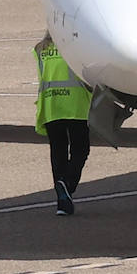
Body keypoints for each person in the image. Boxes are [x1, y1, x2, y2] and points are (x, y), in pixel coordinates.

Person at [34, 33, 92, 216]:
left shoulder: (40, 50)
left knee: (58, 150)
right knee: (80, 149)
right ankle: (67, 184)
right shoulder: (77, 47)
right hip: (76, 105)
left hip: (51, 105)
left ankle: (63, 201)